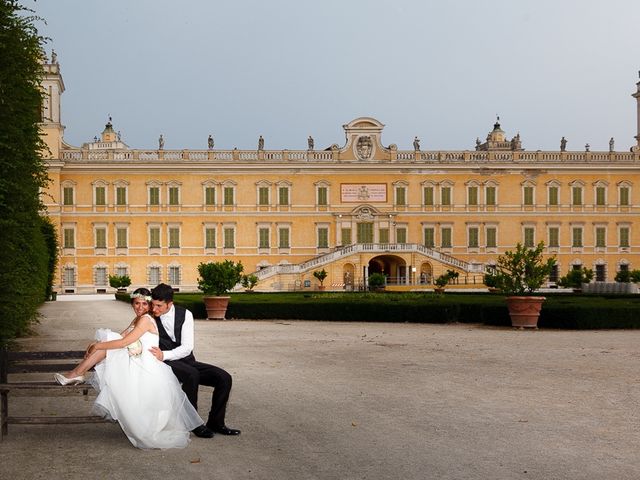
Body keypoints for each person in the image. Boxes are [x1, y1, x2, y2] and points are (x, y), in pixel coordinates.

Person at [54, 288, 205, 449]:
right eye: (136, 303)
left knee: (107, 344)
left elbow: (124, 343)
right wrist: (99, 346)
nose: (140, 307)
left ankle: (77, 373)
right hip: (136, 359)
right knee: (109, 340)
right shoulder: (137, 319)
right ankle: (77, 373)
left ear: (149, 305)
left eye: (144, 304)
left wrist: (97, 345)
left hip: (146, 365)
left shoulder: (146, 320)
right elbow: (122, 336)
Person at [150, 283, 240, 437]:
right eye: (153, 305)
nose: (154, 309)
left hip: (183, 359)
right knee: (191, 374)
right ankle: (194, 423)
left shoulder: (186, 314)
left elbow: (187, 347)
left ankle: (216, 423)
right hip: (164, 364)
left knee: (224, 377)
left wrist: (164, 354)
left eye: (159, 305)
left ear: (169, 304)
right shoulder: (148, 317)